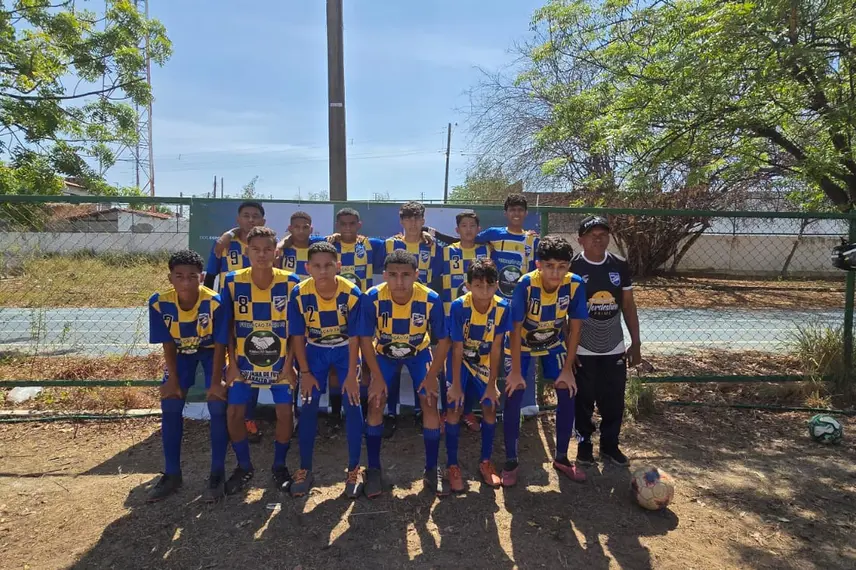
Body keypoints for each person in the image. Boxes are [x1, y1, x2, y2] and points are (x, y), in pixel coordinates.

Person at [430, 194, 541, 417]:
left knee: (493, 357)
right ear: (505, 213)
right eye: (512, 209)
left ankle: (492, 407)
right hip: (460, 314)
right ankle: (452, 409)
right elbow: (457, 246)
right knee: (454, 359)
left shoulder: (496, 248)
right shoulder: (478, 241)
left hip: (495, 312)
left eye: (520, 210)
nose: (516, 214)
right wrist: (429, 233)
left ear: (526, 213)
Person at [211, 226, 301, 495]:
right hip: (243, 362)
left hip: (280, 362)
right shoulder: (231, 281)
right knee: (234, 413)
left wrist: (290, 364)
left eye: (267, 249)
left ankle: (279, 465)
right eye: (256, 249)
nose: (262, 255)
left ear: (276, 252)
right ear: (247, 251)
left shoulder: (291, 282)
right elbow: (226, 326)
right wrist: (231, 363)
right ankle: (244, 466)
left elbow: (297, 329)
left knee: (285, 413)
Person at [358, 250, 450, 498]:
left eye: (406, 275)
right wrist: (376, 376)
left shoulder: (430, 298)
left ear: (416, 275)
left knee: (429, 400)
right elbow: (365, 339)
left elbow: (443, 341)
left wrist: (432, 376)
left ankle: (431, 469)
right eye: (393, 275)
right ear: (384, 275)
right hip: (384, 353)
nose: (399, 281)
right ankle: (373, 469)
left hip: (418, 352)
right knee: (376, 402)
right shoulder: (372, 297)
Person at [503, 235, 588, 487]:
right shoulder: (526, 284)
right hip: (521, 345)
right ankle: (511, 461)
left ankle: (562, 458)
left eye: (562, 266)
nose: (555, 272)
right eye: (550, 266)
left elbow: (576, 328)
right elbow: (514, 329)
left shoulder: (575, 284)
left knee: (567, 390)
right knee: (514, 393)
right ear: (539, 264)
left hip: (552, 343)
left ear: (569, 266)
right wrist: (515, 371)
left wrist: (568, 368)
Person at [146, 250, 229, 503]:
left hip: (211, 352)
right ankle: (172, 474)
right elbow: (168, 343)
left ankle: (217, 473)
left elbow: (221, 344)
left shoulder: (215, 301)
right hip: (181, 353)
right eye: (179, 276)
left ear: (201, 277)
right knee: (171, 403)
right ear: (170, 278)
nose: (185, 282)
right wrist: (172, 378)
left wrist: (216, 381)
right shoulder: (159, 302)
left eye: (192, 277)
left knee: (217, 404)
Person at [287, 242, 364, 498]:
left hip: (345, 351)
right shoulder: (299, 293)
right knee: (308, 406)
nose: (323, 271)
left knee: (353, 404)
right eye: (317, 266)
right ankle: (304, 469)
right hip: (315, 351)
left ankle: (354, 468)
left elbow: (356, 337)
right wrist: (305, 372)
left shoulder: (352, 292)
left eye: (328, 265)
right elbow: (297, 336)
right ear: (307, 268)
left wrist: (351, 374)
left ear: (338, 266)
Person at [572, 215, 640, 466]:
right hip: (582, 346)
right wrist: (569, 349)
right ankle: (584, 445)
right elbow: (565, 310)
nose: (598, 239)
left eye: (603, 235)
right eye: (592, 235)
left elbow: (629, 306)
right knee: (583, 399)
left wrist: (636, 343)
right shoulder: (572, 266)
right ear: (581, 240)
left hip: (613, 344)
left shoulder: (619, 264)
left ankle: (610, 446)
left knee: (613, 399)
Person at [204, 200, 267, 444]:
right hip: (227, 311)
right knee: (224, 362)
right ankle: (227, 417)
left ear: (262, 221)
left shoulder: (265, 245)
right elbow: (210, 277)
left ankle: (248, 418)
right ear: (238, 219)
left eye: (255, 216)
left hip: (257, 312)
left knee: (254, 360)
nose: (251, 220)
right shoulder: (224, 244)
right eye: (246, 215)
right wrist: (207, 307)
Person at [446, 258, 510, 490]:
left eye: (490, 284)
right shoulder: (458, 307)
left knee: (490, 406)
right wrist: (455, 385)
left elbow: (497, 347)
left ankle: (485, 462)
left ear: (497, 285)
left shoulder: (503, 307)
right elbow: (456, 347)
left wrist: (492, 384)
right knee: (453, 408)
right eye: (478, 285)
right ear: (468, 285)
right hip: (461, 360)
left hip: (483, 360)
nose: (484, 290)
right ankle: (452, 465)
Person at [382, 202, 442, 436]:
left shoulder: (432, 245)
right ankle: (390, 412)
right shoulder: (389, 244)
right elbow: (350, 240)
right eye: (408, 218)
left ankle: (420, 411)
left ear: (423, 220)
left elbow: (464, 243)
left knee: (420, 360)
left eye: (417, 218)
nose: (413, 223)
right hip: (392, 309)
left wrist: (433, 234)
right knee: (392, 360)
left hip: (421, 311)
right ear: (401, 221)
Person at [440, 210, 491, 432]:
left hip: (479, 319)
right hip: (452, 317)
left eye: (472, 225)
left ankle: (467, 410)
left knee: (474, 365)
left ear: (478, 229)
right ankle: (449, 411)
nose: (468, 229)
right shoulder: (446, 251)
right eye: (464, 225)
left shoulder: (486, 250)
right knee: (451, 367)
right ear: (457, 229)